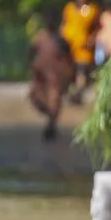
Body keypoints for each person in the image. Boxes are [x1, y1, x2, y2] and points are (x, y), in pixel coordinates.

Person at [27, 8, 74, 141]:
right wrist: (32, 66)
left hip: (56, 76)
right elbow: (31, 52)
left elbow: (70, 57)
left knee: (54, 101)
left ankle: (51, 125)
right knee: (36, 98)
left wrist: (69, 74)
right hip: (41, 74)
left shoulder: (61, 39)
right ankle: (50, 120)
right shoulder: (39, 37)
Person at [61, 0, 100, 104]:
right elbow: (63, 24)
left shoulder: (92, 10)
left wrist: (92, 39)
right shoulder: (69, 9)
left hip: (83, 48)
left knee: (82, 72)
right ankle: (65, 93)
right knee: (67, 71)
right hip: (68, 46)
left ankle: (77, 95)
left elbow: (97, 28)